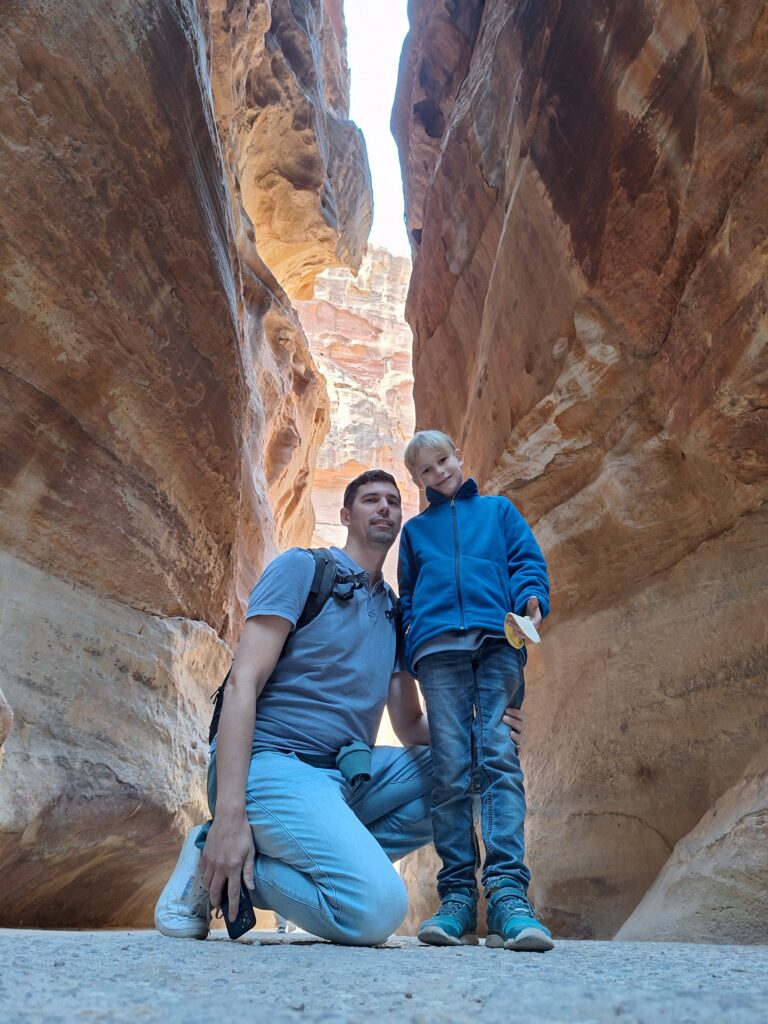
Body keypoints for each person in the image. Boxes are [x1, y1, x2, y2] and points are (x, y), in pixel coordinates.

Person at [154, 469, 524, 945]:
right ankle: (211, 848)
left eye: (393, 500)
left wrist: (486, 730)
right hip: (274, 768)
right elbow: (243, 684)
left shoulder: (396, 613)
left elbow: (410, 726)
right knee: (377, 910)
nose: (385, 507)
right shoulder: (303, 570)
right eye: (371, 500)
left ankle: (278, 857)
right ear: (346, 515)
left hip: (348, 779)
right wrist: (229, 815)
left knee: (476, 767)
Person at [398, 430, 553, 952]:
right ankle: (458, 898)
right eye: (426, 470)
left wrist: (531, 596)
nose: (438, 473)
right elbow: (409, 597)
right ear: (417, 480)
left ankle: (509, 896)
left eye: (443, 461)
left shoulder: (499, 511)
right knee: (450, 768)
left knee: (498, 758)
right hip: (438, 654)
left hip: (498, 641)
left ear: (459, 457)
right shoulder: (417, 533)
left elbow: (525, 562)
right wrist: (413, 645)